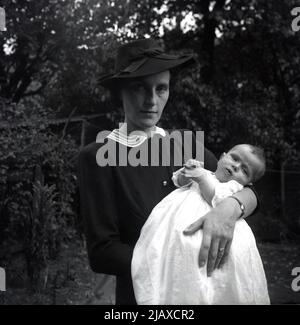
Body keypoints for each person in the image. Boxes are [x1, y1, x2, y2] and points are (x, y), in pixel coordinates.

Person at [78, 38, 259, 305]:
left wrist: (230, 208)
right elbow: (102, 252)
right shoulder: (98, 156)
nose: (152, 100)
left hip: (204, 294)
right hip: (145, 297)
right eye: (139, 88)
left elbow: (249, 188)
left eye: (161, 88)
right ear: (120, 92)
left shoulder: (184, 145)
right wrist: (178, 262)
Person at [132, 144, 270, 305]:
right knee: (163, 252)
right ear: (222, 157)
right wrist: (188, 171)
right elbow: (178, 180)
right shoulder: (204, 171)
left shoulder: (233, 188)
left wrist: (201, 178)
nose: (236, 166)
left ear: (248, 183)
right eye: (234, 158)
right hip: (173, 218)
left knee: (210, 279)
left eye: (245, 170)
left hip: (212, 226)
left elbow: (217, 198)